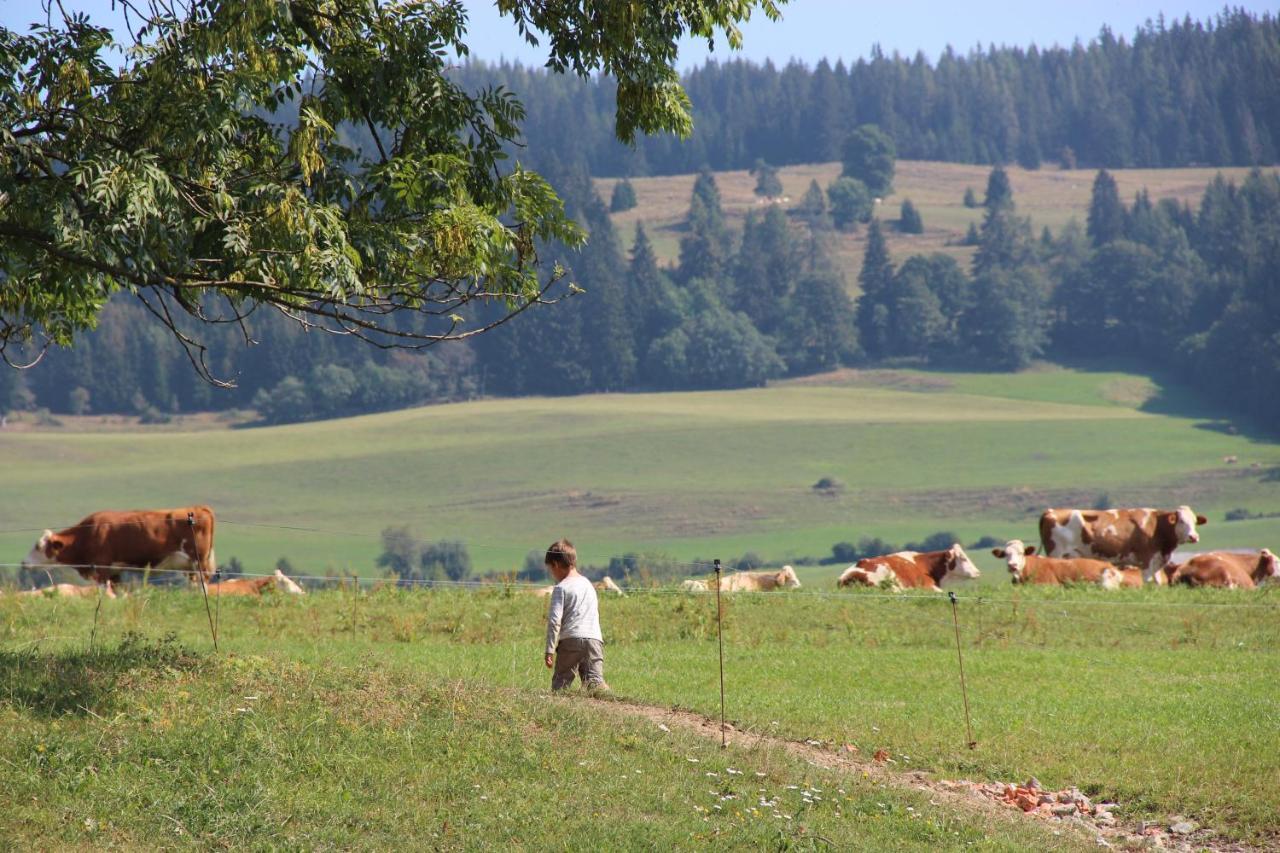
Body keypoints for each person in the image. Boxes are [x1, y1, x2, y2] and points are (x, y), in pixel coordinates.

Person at [543, 538, 608, 692]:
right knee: (595, 683)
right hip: (594, 639)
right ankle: (615, 706)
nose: (552, 574)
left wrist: (549, 650)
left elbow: (554, 621)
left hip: (571, 640)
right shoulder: (588, 585)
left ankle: (558, 708)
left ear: (556, 565)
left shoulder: (561, 588)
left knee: (561, 683)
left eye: (551, 569)